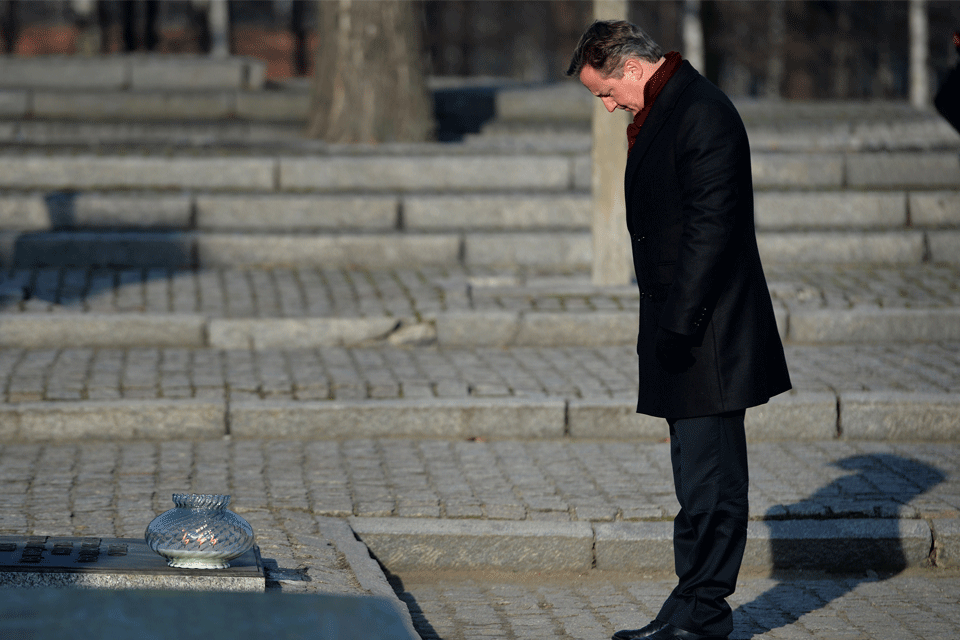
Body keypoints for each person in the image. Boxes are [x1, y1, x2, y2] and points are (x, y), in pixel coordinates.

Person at [567, 21, 792, 640]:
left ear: (632, 69)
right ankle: (691, 604)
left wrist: (679, 324)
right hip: (685, 325)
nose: (608, 107)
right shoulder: (672, 107)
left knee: (712, 482)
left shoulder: (701, 112)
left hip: (708, 332)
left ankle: (703, 612)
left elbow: (712, 229)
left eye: (607, 93)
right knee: (695, 480)